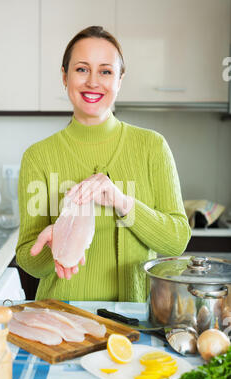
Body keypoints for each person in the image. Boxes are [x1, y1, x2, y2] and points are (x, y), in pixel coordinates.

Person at [16, 26, 191, 302]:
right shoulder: (38, 157)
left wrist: (123, 203)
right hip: (62, 318)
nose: (93, 82)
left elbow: (177, 240)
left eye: (106, 71)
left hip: (134, 323)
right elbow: (28, 260)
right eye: (82, 69)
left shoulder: (152, 147)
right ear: (64, 76)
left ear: (120, 80)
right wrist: (56, 243)